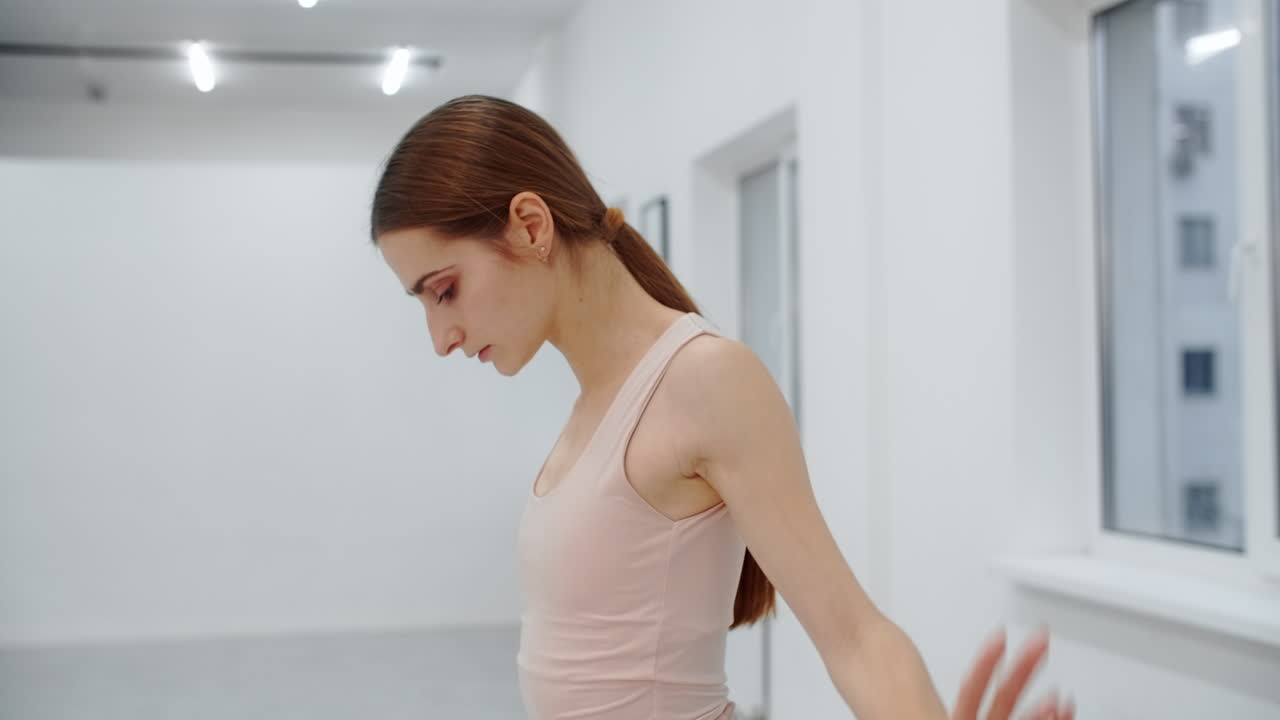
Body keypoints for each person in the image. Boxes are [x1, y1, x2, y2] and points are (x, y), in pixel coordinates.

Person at [370, 94, 1076, 720]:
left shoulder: (706, 380)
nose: (441, 338)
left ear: (529, 224)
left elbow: (856, 636)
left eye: (443, 290)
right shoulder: (594, 406)